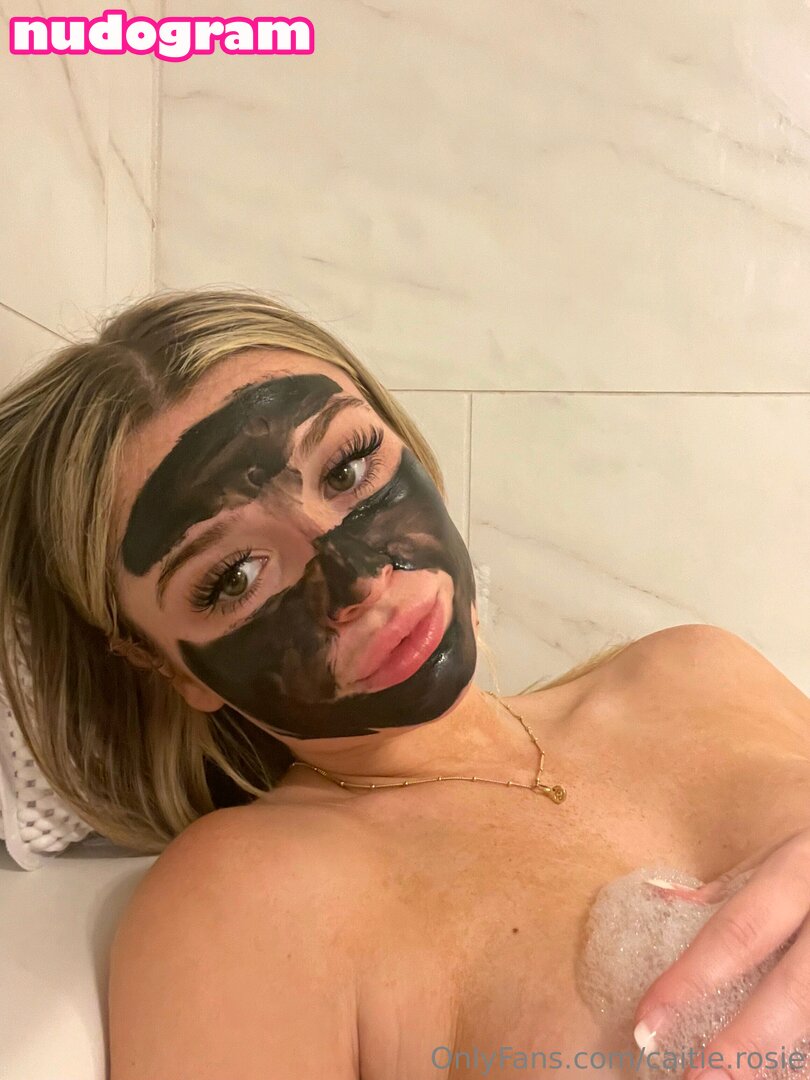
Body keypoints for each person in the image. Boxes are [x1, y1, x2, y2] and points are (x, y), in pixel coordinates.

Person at [1, 286, 809, 1079]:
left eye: (348, 468)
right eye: (235, 576)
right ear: (169, 668)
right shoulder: (249, 906)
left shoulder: (699, 669)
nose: (357, 577)